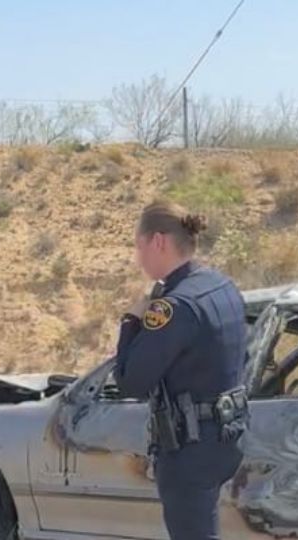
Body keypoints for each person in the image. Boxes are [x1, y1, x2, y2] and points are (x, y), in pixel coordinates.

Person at [114, 201, 249, 540]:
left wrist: (131, 320)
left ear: (158, 241)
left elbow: (131, 381)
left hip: (191, 449)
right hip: (227, 435)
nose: (138, 256)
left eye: (138, 245)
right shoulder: (222, 286)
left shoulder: (174, 306)